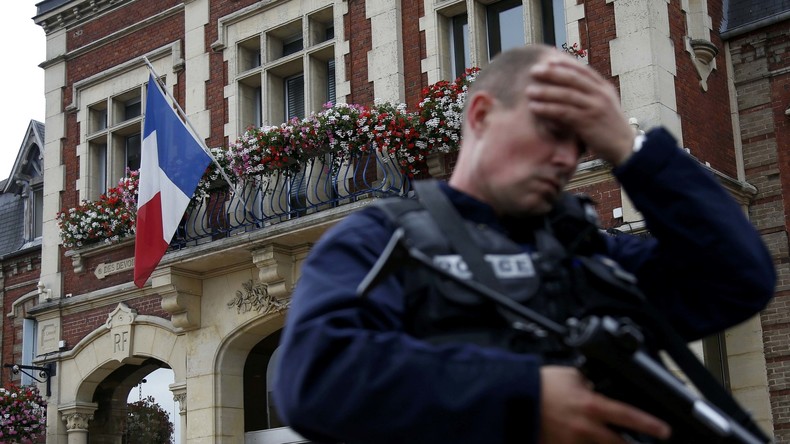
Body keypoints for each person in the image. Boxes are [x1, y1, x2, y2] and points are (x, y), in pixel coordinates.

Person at [272, 44, 775, 444]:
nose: (565, 158)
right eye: (551, 131)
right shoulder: (381, 238)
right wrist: (524, 393)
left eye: (581, 145)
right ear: (482, 115)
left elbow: (738, 278)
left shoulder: (586, 257)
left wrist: (630, 147)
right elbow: (316, 378)